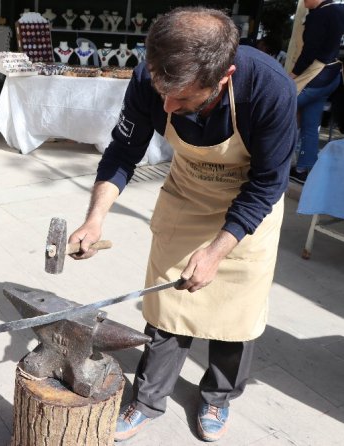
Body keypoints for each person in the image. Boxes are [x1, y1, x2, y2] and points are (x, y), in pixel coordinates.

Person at [68, 8, 296, 442]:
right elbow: (122, 152)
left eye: (185, 99)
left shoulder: (270, 90)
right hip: (187, 195)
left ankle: (218, 396)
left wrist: (216, 252)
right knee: (166, 307)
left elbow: (268, 183)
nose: (168, 107)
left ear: (225, 75)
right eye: (162, 91)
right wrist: (94, 220)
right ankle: (149, 398)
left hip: (249, 205)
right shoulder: (147, 78)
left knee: (236, 313)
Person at [289, 0, 344, 184]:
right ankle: (304, 168)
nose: (303, 1)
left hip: (316, 75)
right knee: (310, 124)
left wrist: (292, 75)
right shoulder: (339, 11)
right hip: (333, 75)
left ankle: (269, 162)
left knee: (280, 109)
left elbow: (310, 51)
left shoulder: (321, 15)